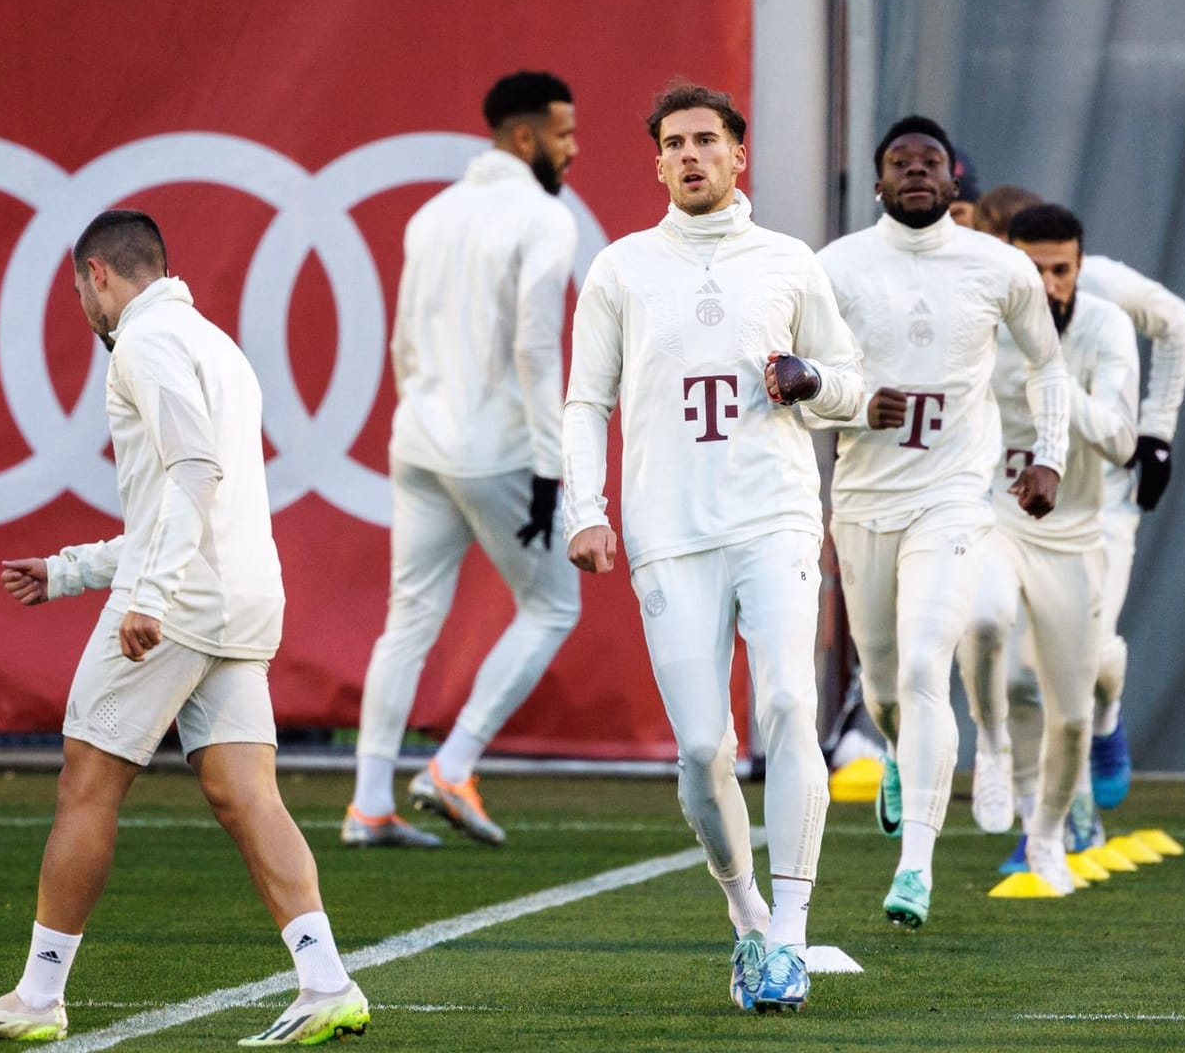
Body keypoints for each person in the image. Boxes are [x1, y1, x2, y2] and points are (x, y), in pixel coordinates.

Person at [0, 211, 368, 1045]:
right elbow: (187, 499)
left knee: (86, 783)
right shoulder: (217, 345)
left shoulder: (142, 344)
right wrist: (71, 570)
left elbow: (194, 474)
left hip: (180, 602)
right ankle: (326, 981)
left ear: (98, 275)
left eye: (79, 293)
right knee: (245, 793)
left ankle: (38, 996)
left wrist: (150, 597)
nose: (83, 309)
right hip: (242, 598)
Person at [563, 82, 862, 1012]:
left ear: (739, 157)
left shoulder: (788, 262)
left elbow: (852, 386)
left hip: (771, 516)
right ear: (655, 162)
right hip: (668, 532)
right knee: (700, 748)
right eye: (674, 143)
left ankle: (793, 936)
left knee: (785, 703)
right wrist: (586, 505)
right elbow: (586, 402)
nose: (691, 155)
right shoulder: (619, 268)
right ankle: (747, 924)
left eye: (707, 140)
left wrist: (809, 380)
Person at [812, 116, 1071, 928]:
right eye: (900, 162)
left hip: (955, 496)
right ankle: (895, 752)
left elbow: (1046, 365)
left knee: (929, 661)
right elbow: (794, 380)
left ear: (955, 181)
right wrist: (850, 405)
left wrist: (1050, 455)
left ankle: (914, 866)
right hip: (864, 499)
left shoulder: (999, 266)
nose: (916, 171)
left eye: (931, 161)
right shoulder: (835, 268)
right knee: (887, 688)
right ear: (880, 182)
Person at [344, 70, 582, 849]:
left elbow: (403, 338)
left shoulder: (431, 213)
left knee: (407, 618)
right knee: (553, 606)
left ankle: (369, 804)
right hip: (497, 449)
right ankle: (454, 763)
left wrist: (422, 407)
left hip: (418, 439)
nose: (573, 149)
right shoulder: (544, 219)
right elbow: (537, 349)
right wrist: (554, 465)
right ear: (525, 138)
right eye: (564, 133)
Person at [970, 184, 1185, 812]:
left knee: (1085, 655)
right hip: (1011, 504)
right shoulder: (983, 304)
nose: (1035, 282)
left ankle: (1105, 714)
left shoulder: (1102, 296)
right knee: (1011, 659)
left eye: (1053, 266)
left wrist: (1158, 432)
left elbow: (1176, 322)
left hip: (1100, 501)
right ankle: (1037, 816)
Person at [955, 204, 1137, 893]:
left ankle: (1052, 832)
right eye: (1033, 270)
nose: (1048, 283)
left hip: (1077, 531)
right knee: (986, 624)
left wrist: (1053, 380)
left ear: (1079, 269)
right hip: (996, 515)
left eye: (1060, 270)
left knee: (1072, 711)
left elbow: (1121, 440)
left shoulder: (1106, 325)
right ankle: (995, 747)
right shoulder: (982, 328)